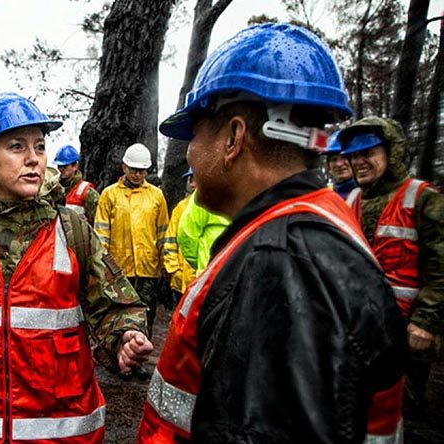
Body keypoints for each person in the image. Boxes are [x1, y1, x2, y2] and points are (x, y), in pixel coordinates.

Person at [137, 23, 407, 443]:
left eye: (194, 133)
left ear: (233, 138)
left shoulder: (281, 261)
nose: (188, 151)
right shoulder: (298, 233)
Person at [0, 92, 152, 443]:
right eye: (18, 147)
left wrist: (126, 338)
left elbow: (118, 308)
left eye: (39, 147)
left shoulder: (72, 231)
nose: (34, 159)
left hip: (64, 433)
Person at [339, 116, 444, 419]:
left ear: (391, 152)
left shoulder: (423, 197)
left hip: (407, 331)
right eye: (354, 155)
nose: (359, 162)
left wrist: (425, 321)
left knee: (402, 411)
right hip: (361, 326)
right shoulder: (353, 199)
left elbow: (440, 267)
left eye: (368, 153)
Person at [95, 142, 169, 354]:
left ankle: (139, 357)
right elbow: (101, 233)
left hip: (148, 268)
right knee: (119, 315)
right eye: (134, 170)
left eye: (142, 170)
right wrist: (104, 267)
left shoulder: (156, 196)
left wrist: (166, 265)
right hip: (119, 270)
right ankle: (117, 354)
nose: (138, 175)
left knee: (146, 315)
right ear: (124, 167)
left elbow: (164, 231)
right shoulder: (109, 195)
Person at [163, 168, 197, 306]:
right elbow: (170, 240)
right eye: (191, 179)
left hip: (204, 280)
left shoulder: (218, 208)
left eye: (196, 179)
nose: (192, 184)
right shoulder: (181, 208)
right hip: (181, 280)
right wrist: (174, 269)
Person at [176, 192, 230, 271]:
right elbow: (187, 235)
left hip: (212, 272)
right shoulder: (209, 191)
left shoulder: (209, 191)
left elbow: (187, 234)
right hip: (211, 274)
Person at [53, 144, 100, 224]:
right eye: (59, 166)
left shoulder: (88, 192)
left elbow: (98, 222)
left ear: (75, 166)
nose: (61, 169)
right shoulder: (54, 189)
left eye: (64, 166)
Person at [325, 130, 357, 198]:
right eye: (334, 159)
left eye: (344, 157)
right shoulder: (326, 195)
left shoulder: (366, 194)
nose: (339, 164)